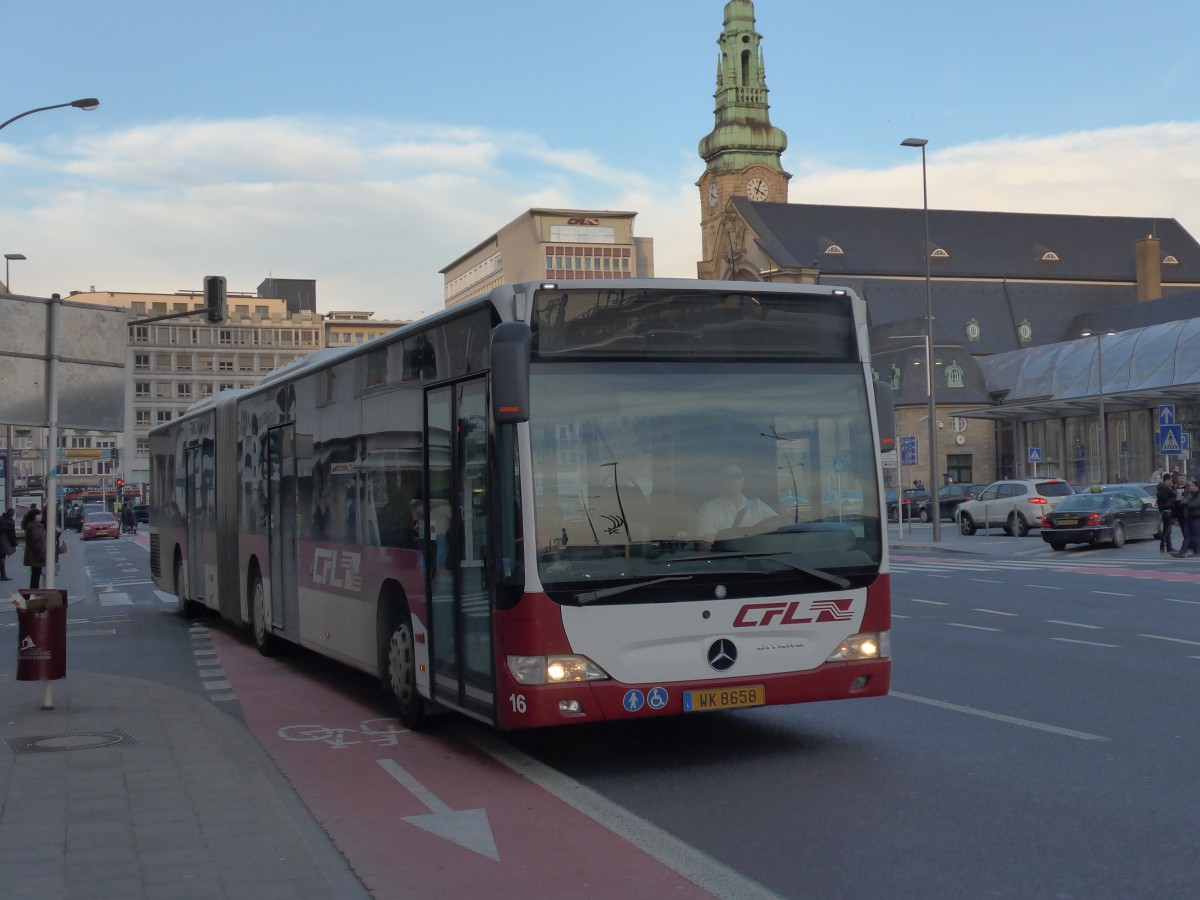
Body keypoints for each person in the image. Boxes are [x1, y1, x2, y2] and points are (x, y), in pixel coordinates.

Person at [694, 464, 778, 545]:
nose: (732, 481)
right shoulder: (709, 509)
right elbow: (708, 544)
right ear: (719, 481)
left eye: (736, 476)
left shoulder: (758, 506)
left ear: (743, 480)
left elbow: (778, 527)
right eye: (727, 477)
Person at [1172, 481, 1200, 558]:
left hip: (1196, 518)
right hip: (1189, 517)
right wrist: (1187, 503)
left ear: (1196, 487)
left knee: (1196, 535)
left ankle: (1197, 551)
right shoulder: (1190, 495)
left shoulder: (1198, 495)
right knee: (1187, 534)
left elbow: (1194, 505)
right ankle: (1182, 552)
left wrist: (1187, 503)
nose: (1190, 486)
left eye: (1192, 485)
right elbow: (1182, 502)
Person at [23, 508, 47, 590]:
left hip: (35, 554)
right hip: (37, 555)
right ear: (34, 516)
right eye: (38, 515)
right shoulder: (34, 526)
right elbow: (36, 541)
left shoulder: (36, 525)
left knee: (35, 574)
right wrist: (42, 552)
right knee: (35, 575)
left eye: (40, 514)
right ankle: (34, 593)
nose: (40, 516)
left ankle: (33, 592)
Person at [1156, 473, 1177, 553]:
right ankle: (1162, 546)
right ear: (1167, 480)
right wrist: (1173, 487)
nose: (1171, 482)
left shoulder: (1160, 488)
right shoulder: (1166, 488)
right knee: (1167, 529)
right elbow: (1174, 494)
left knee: (1168, 529)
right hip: (1167, 509)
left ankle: (1169, 547)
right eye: (1171, 480)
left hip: (1163, 510)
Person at [0, 508, 16, 581]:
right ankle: (3, 575)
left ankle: (3, 575)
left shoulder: (1, 518)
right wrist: (13, 544)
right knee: (2, 559)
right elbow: (12, 534)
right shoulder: (10, 522)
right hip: (4, 541)